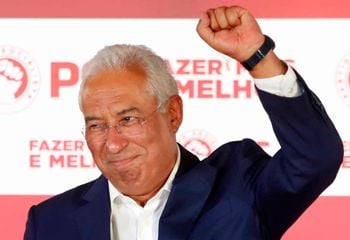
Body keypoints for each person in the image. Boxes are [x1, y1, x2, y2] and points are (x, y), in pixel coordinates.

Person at [24, 5, 343, 240]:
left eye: (129, 119)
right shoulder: (51, 223)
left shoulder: (239, 190)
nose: (113, 143)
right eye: (96, 125)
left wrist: (256, 56)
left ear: (173, 113)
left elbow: (315, 158)